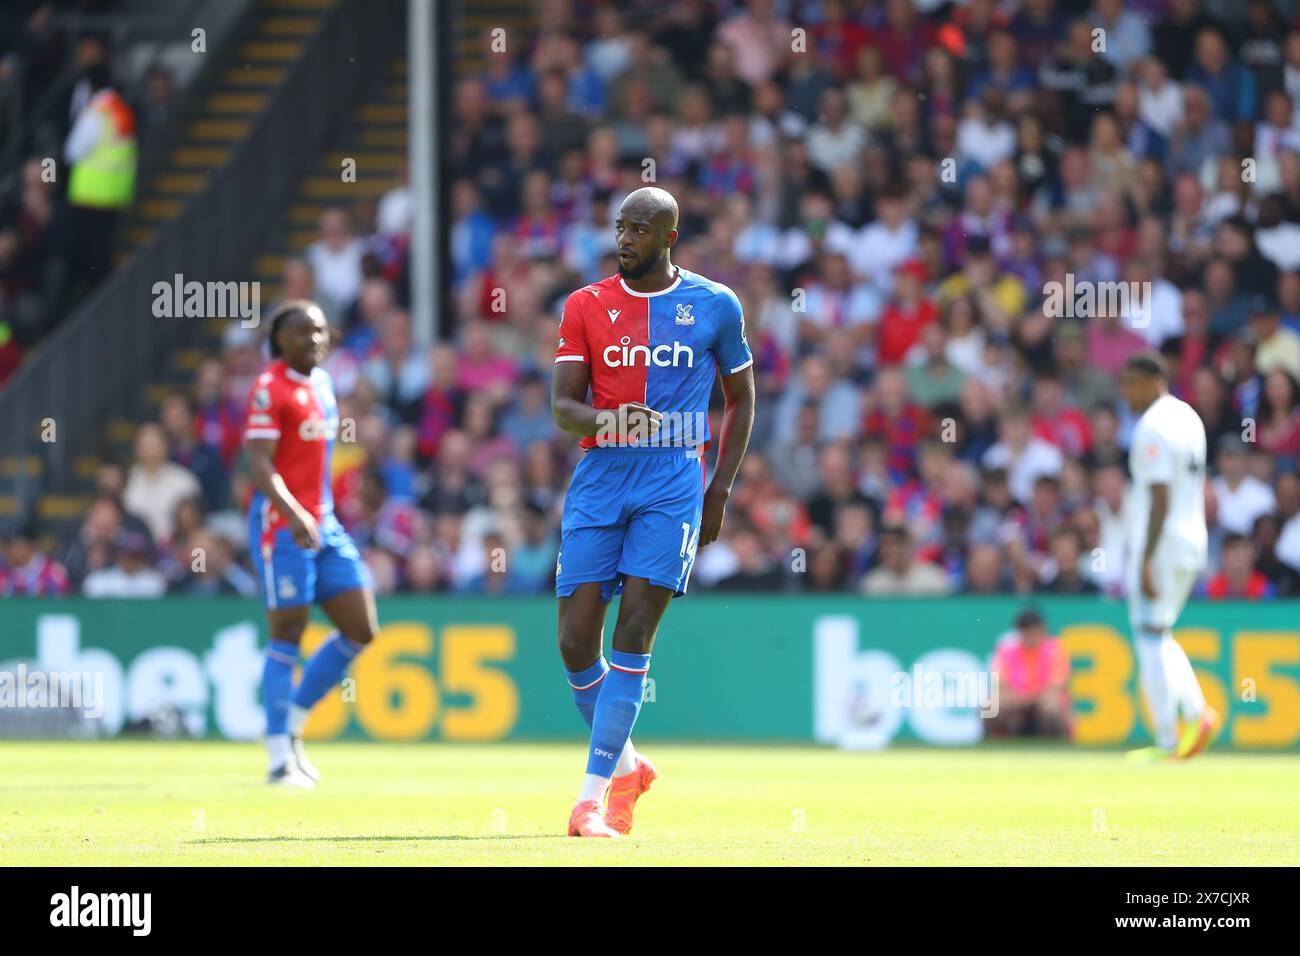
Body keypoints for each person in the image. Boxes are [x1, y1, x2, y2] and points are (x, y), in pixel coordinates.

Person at [551, 186, 755, 837]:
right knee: (574, 640)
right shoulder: (585, 305)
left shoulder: (715, 304)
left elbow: (741, 399)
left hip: (672, 483)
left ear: (668, 237)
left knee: (632, 635)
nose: (626, 239)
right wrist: (612, 420)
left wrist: (718, 488)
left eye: (640, 230)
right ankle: (631, 766)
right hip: (601, 478)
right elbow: (563, 406)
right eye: (621, 227)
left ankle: (592, 799)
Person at [244, 300, 378, 788]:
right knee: (288, 634)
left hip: (324, 523)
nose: (314, 340)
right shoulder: (268, 387)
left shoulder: (322, 384)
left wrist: (316, 511)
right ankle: (279, 756)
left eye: (320, 331)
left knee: (361, 628)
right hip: (282, 526)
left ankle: (295, 725)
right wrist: (293, 512)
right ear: (280, 340)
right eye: (302, 332)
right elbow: (259, 462)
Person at [1119, 351, 1216, 762]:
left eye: (1130, 383)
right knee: (1160, 631)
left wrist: (1144, 556)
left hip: (1163, 543)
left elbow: (1160, 496)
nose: (1125, 393)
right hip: (1193, 537)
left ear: (1153, 380)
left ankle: (1169, 737)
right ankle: (1196, 716)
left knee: (1148, 635)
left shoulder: (1152, 427)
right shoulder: (1188, 416)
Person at [987, 608, 1071, 738]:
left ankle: (1053, 745)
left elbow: (1057, 684)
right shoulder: (1007, 649)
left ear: (1043, 630)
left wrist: (1033, 698)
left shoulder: (1054, 648)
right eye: (1025, 631)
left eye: (1033, 630)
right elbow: (999, 681)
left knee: (1052, 705)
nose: (1030, 635)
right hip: (1016, 698)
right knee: (989, 705)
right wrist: (1017, 697)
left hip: (1043, 698)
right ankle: (995, 742)